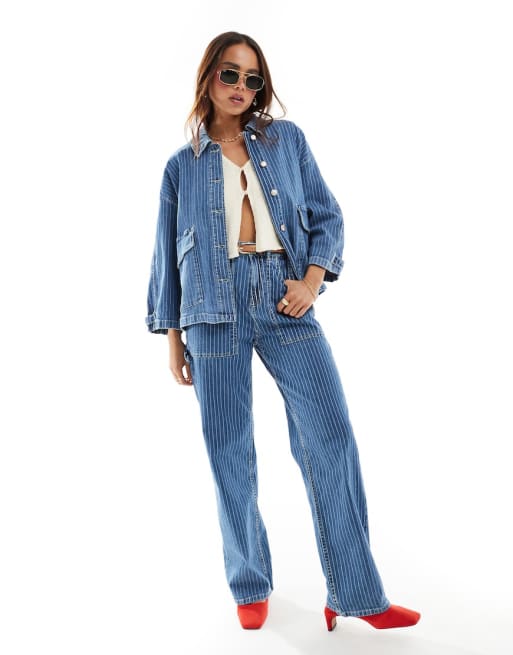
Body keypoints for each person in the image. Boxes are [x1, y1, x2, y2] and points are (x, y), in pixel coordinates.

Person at [145, 31, 420, 632]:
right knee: (230, 451)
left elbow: (327, 215)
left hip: (283, 299)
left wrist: (311, 282)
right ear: (208, 78)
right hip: (210, 310)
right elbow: (166, 257)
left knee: (331, 437)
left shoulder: (285, 141)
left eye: (252, 79)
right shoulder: (179, 167)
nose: (241, 87)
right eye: (230, 73)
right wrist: (172, 339)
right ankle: (249, 584)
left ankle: (356, 592)